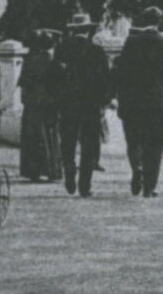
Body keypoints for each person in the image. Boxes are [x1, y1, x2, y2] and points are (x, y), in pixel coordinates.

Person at [113, 6, 163, 198]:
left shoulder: (131, 42)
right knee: (155, 144)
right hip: (157, 103)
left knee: (134, 141)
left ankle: (137, 168)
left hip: (133, 102)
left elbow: (121, 73)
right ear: (159, 22)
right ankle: (150, 186)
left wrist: (120, 98)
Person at [51, 12, 111, 198]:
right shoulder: (96, 51)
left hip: (67, 103)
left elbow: (52, 77)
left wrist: (57, 98)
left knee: (67, 141)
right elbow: (105, 80)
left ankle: (69, 167)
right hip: (90, 105)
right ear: (88, 31)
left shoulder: (61, 49)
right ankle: (85, 185)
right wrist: (104, 102)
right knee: (89, 144)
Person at [17, 31, 60, 182]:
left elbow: (22, 83)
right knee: (49, 136)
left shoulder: (29, 59)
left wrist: (26, 99)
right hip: (48, 102)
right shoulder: (51, 59)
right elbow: (57, 83)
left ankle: (33, 171)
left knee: (32, 136)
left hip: (32, 102)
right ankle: (50, 170)